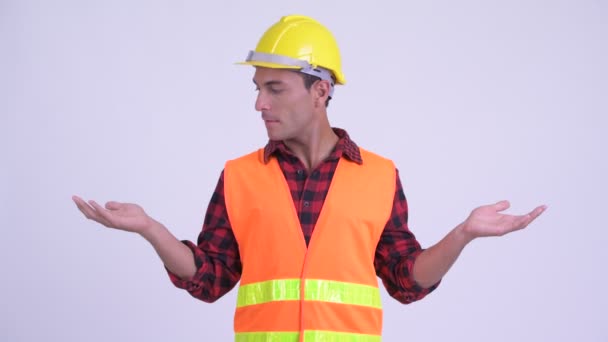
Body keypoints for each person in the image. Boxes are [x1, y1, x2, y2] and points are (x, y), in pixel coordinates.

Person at [73, 14, 546, 341]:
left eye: (274, 88)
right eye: (257, 89)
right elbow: (211, 279)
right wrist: (150, 229)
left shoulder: (379, 176)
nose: (260, 103)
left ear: (320, 90)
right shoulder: (239, 177)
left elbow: (406, 281)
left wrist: (463, 234)